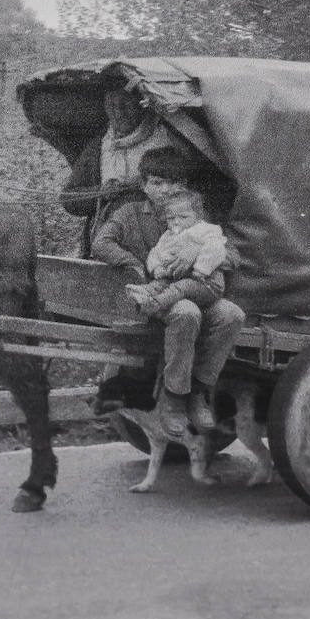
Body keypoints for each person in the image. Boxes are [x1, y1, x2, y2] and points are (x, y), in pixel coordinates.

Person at [90, 147, 245, 436]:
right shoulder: (130, 213)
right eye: (156, 183)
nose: (164, 190)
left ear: (184, 185)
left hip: (199, 289)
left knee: (232, 314)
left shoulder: (194, 211)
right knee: (186, 313)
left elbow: (232, 255)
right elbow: (101, 243)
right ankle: (175, 400)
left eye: (173, 183)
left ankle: (199, 392)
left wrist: (196, 251)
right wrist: (134, 264)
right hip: (157, 293)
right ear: (143, 185)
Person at [59, 84, 184, 254]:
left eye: (126, 105)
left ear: (142, 104)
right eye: (111, 106)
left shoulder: (166, 138)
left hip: (162, 240)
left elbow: (192, 184)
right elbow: (68, 199)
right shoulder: (101, 146)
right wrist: (102, 193)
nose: (118, 113)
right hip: (108, 244)